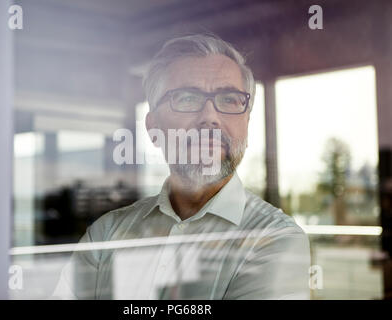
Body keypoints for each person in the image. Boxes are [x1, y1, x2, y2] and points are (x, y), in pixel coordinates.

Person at [53, 34, 311, 300]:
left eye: (229, 99)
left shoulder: (275, 238)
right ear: (153, 127)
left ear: (246, 121)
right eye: (187, 98)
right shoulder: (106, 234)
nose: (210, 117)